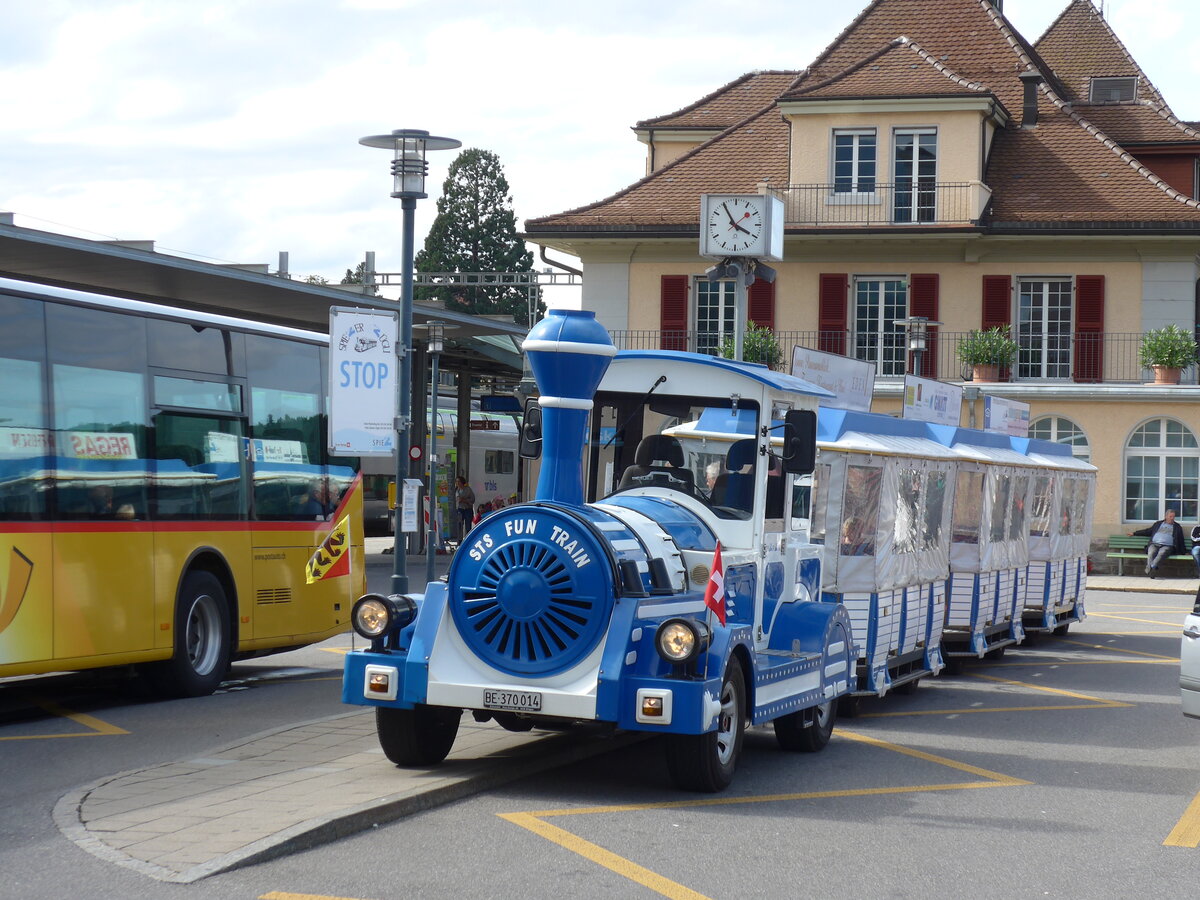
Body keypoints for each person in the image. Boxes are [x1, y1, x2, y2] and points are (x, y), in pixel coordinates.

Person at [1128, 508, 1185, 578]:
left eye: (1173, 517)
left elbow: (1181, 539)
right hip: (1154, 544)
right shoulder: (1158, 524)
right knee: (1151, 552)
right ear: (1166, 516)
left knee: (1162, 553)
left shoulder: (1177, 527)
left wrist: (1184, 551)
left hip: (1167, 546)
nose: (1172, 518)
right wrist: (1134, 533)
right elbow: (1147, 531)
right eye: (1170, 516)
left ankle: (1151, 568)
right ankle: (1152, 569)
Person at [454, 475, 475, 541]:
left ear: (462, 482)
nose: (457, 483)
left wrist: (464, 500)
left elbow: (472, 499)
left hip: (467, 509)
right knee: (459, 524)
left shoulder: (468, 489)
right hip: (460, 509)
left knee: (468, 525)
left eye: (458, 481)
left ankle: (468, 539)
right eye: (456, 482)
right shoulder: (457, 490)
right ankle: (459, 540)